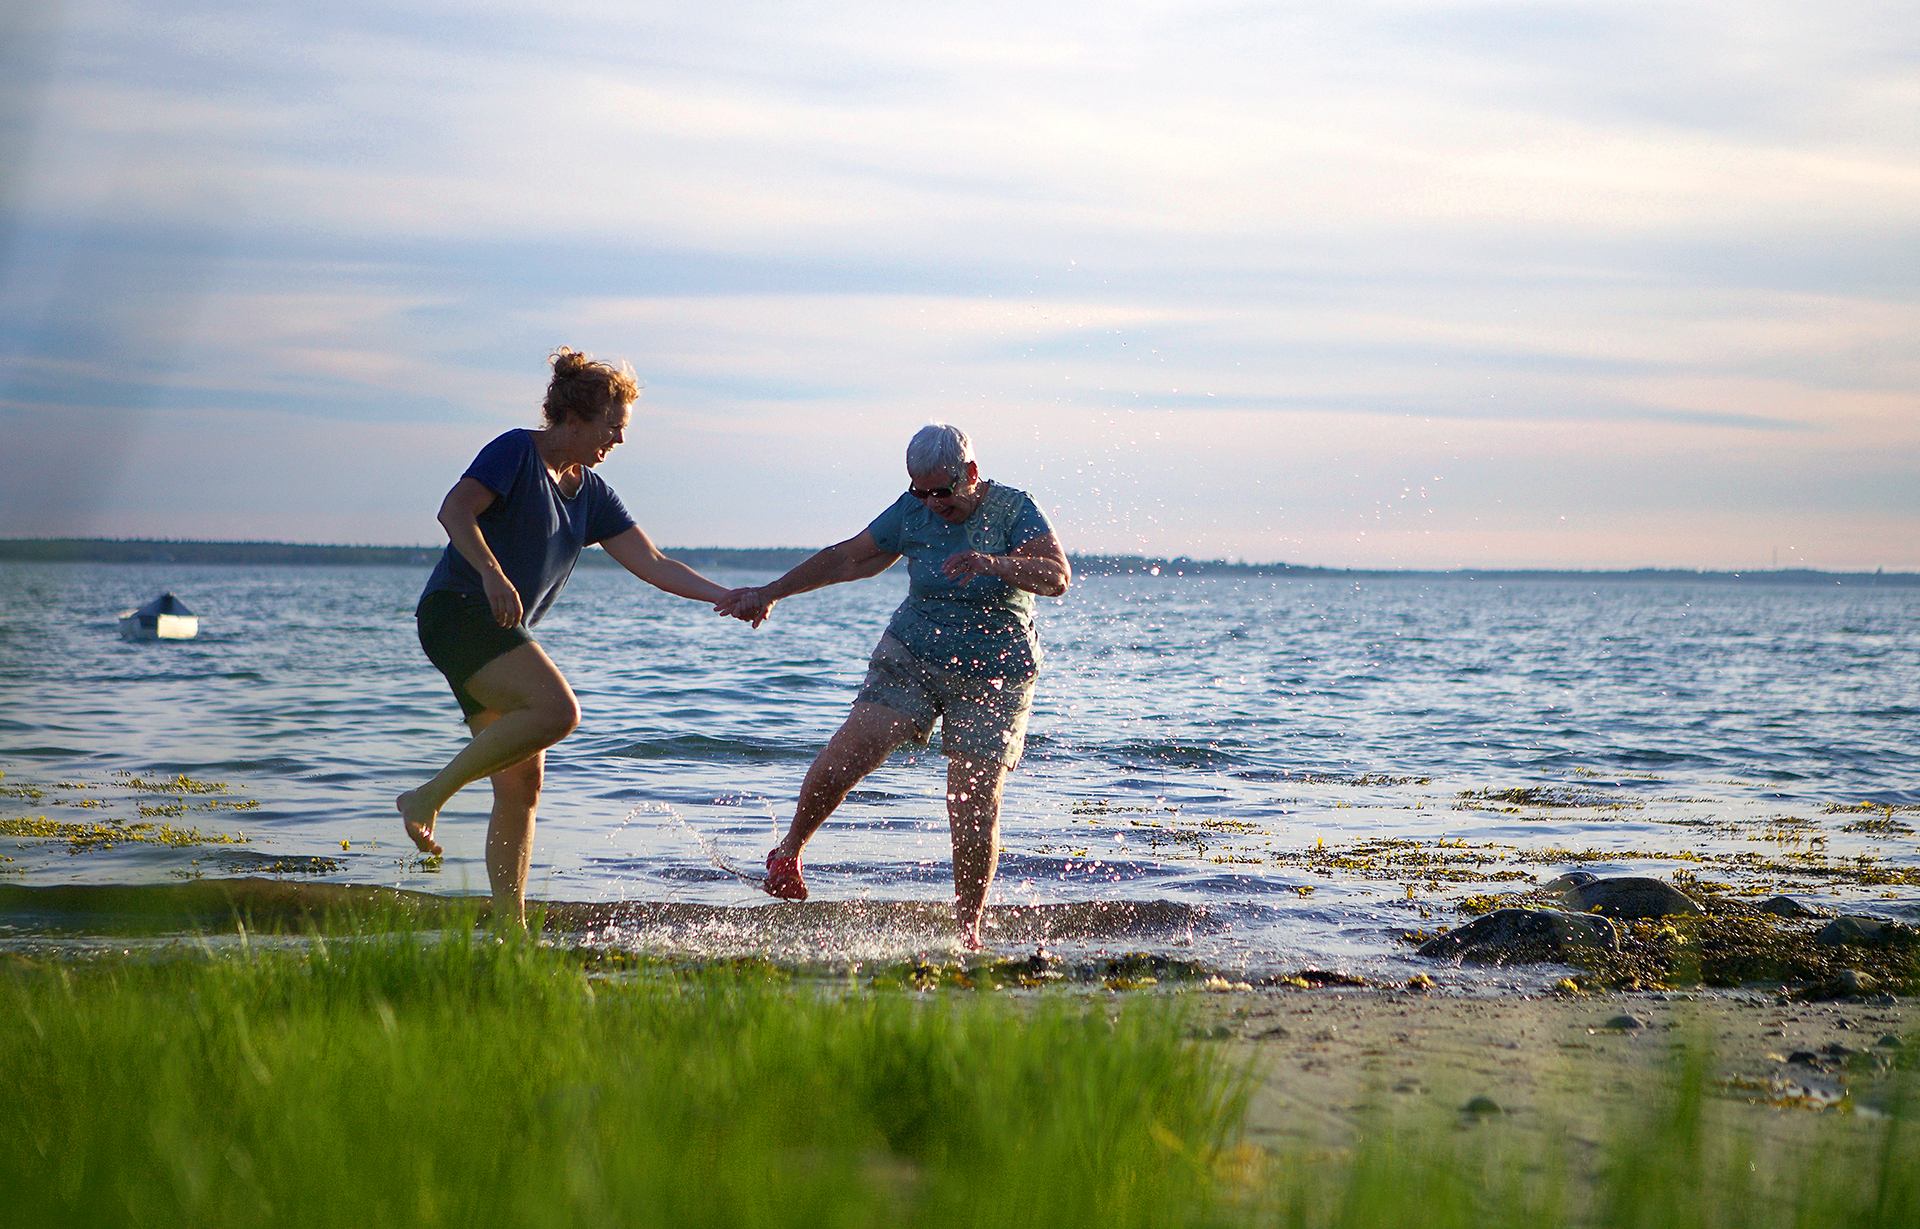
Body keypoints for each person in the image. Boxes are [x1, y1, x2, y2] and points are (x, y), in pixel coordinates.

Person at [399, 347, 757, 929]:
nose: (617, 441)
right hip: (457, 612)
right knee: (559, 710)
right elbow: (453, 511)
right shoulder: (516, 451)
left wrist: (726, 597)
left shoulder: (590, 492)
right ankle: (429, 796)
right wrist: (492, 571)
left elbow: (653, 561)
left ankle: (511, 935)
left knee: (522, 785)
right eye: (610, 428)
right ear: (572, 419)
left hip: (492, 628)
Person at [718, 423, 1070, 949]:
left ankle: (968, 929)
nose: (931, 503)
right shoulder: (911, 514)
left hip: (995, 673)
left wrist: (993, 563)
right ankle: (788, 852)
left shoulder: (1014, 509)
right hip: (914, 655)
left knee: (973, 800)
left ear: (970, 474)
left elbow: (1057, 576)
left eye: (941, 491)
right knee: (851, 752)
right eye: (919, 491)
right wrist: (772, 591)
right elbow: (846, 558)